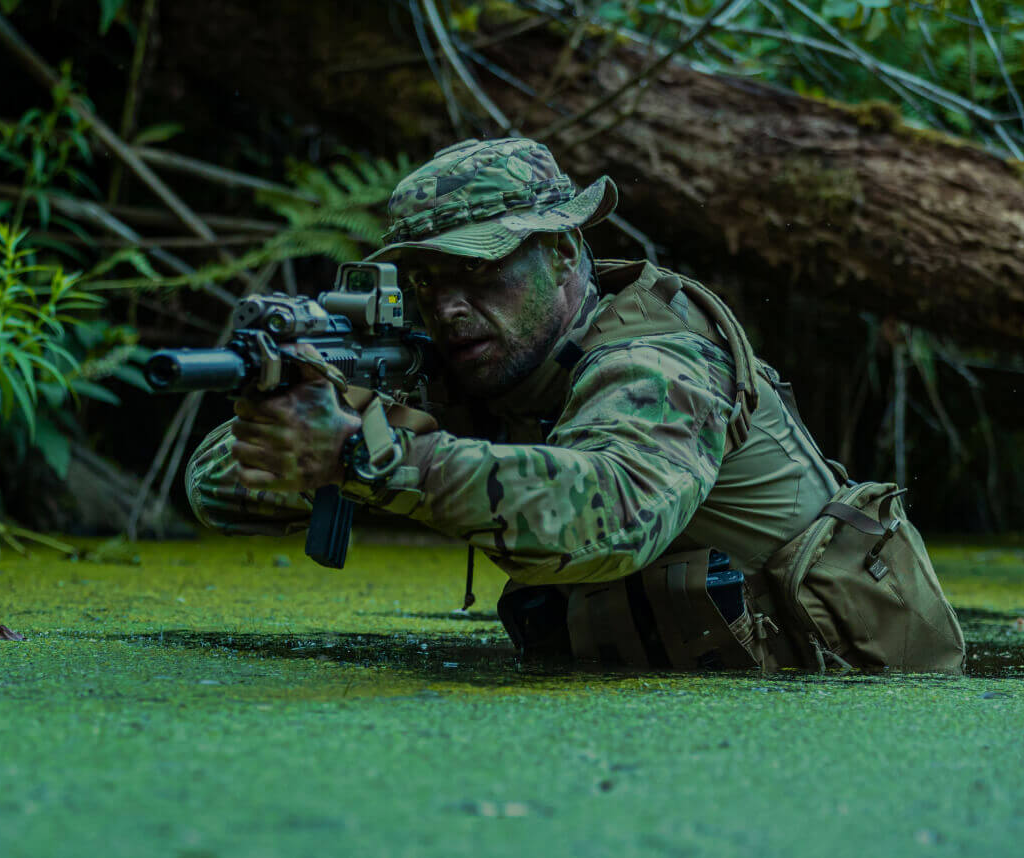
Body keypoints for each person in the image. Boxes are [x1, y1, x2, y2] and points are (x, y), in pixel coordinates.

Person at [183, 137, 964, 673]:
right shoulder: (467, 363)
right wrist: (301, 408)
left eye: (481, 272)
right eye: (427, 280)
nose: (449, 306)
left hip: (827, 707)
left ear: (562, 253)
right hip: (661, 718)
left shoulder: (659, 358)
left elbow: (613, 516)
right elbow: (215, 490)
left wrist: (369, 453)